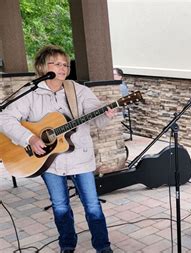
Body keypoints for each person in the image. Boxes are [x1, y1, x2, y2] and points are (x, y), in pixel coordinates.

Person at [0, 45, 115, 253]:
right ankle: (67, 245)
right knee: (60, 206)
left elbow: (93, 113)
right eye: (56, 63)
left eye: (65, 64)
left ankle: (103, 247)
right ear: (42, 66)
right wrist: (30, 137)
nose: (62, 68)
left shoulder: (79, 91)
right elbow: (4, 118)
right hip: (49, 162)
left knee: (92, 206)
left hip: (80, 158)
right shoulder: (30, 93)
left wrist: (103, 113)